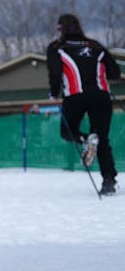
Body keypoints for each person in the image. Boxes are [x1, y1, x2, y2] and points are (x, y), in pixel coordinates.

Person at [46, 13, 119, 195]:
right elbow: (115, 72)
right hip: (101, 96)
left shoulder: (57, 47)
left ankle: (86, 139)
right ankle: (108, 181)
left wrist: (53, 93)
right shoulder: (95, 46)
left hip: (75, 96)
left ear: (60, 29)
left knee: (66, 131)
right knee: (102, 139)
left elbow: (55, 73)